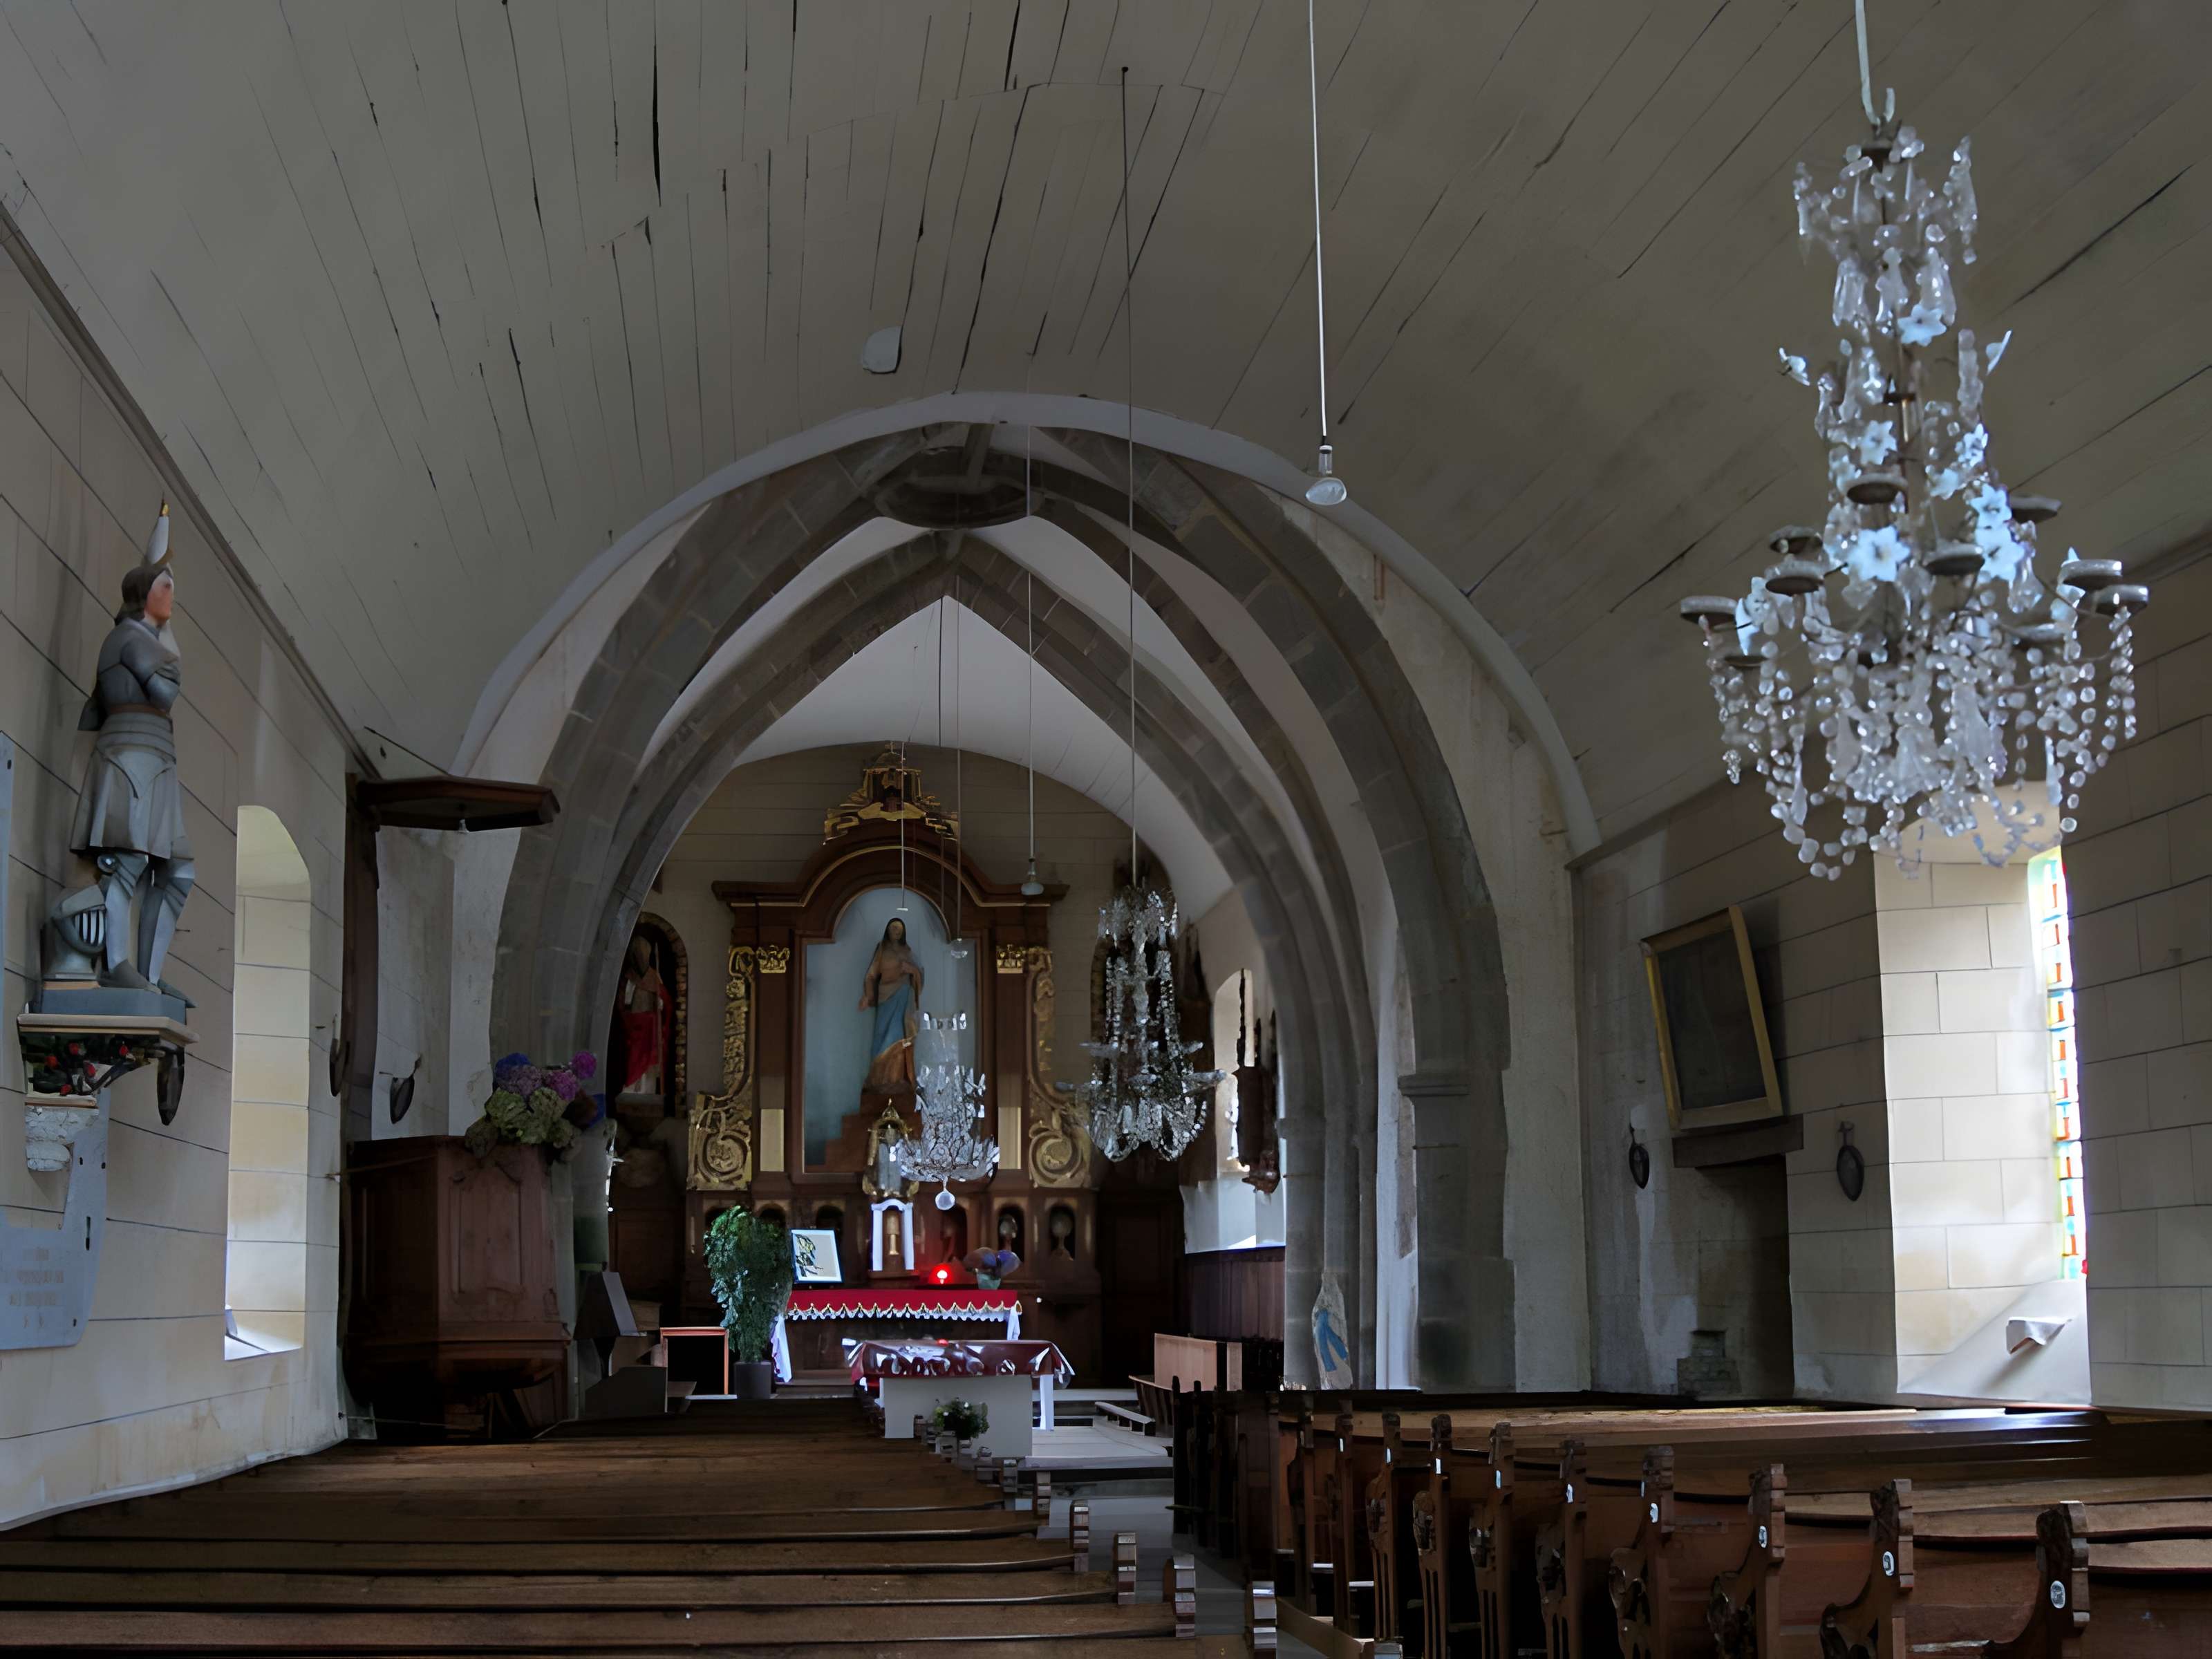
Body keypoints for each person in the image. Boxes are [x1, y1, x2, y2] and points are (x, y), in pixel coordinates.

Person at [53, 506, 195, 1002]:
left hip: (158, 758)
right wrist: (169, 666)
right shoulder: (126, 638)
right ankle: (116, 965)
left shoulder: (144, 641)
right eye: (164, 587)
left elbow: (165, 685)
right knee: (126, 861)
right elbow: (165, 691)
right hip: (130, 754)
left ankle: (150, 978)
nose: (172, 596)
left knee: (178, 869)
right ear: (142, 596)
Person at [858, 916, 924, 1091]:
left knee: (899, 1037)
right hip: (886, 999)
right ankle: (879, 1080)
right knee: (882, 1039)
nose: (897, 931)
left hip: (904, 998)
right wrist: (868, 996)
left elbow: (919, 975)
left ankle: (895, 1079)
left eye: (900, 929)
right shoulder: (882, 950)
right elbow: (871, 975)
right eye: (894, 927)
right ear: (887, 929)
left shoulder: (908, 952)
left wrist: (912, 970)